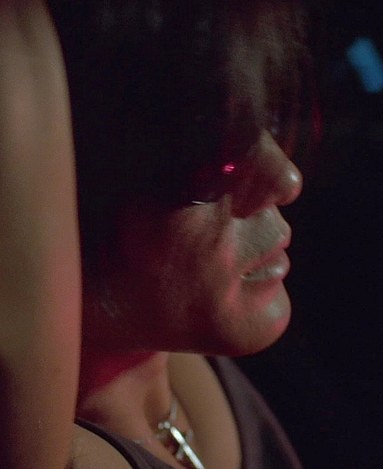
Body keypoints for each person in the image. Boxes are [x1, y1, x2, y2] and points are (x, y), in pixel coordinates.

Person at [1, 1, 311, 467]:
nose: (287, 180)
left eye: (262, 119)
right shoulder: (41, 450)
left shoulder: (170, 336)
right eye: (208, 155)